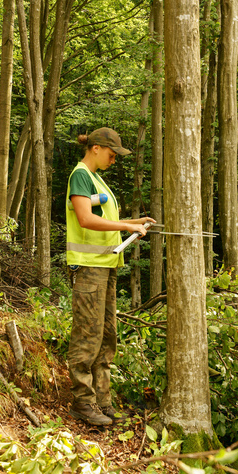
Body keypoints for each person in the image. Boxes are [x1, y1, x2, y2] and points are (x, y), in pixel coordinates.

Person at [66, 127, 155, 426]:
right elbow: (85, 218)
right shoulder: (80, 175)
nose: (114, 160)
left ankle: (102, 402)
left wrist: (134, 222)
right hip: (88, 268)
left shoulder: (97, 179)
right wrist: (127, 228)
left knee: (106, 335)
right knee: (87, 336)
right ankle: (82, 402)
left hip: (106, 267)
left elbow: (107, 219)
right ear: (95, 148)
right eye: (112, 154)